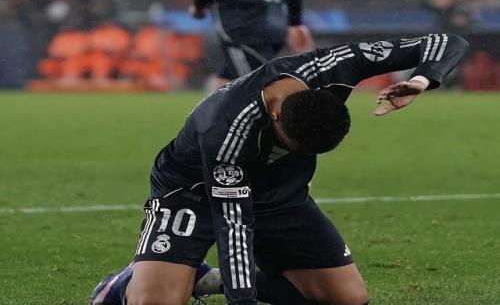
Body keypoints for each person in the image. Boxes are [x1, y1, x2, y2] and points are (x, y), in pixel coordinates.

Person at [90, 33, 468, 305]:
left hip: (278, 194)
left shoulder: (334, 66)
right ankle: (124, 284)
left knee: (347, 299)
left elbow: (447, 42)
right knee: (155, 301)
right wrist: (242, 301)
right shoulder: (226, 132)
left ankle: (205, 280)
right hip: (191, 192)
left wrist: (420, 80)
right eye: (292, 147)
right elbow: (233, 227)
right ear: (275, 116)